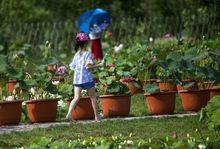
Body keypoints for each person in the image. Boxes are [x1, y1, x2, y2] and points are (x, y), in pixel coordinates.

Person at [65, 32, 103, 122]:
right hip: (87, 79)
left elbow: (72, 67)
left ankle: (68, 114)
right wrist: (99, 65)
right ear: (86, 43)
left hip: (77, 80)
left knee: (76, 97)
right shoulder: (88, 54)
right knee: (93, 97)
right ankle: (97, 117)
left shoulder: (76, 55)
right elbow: (88, 66)